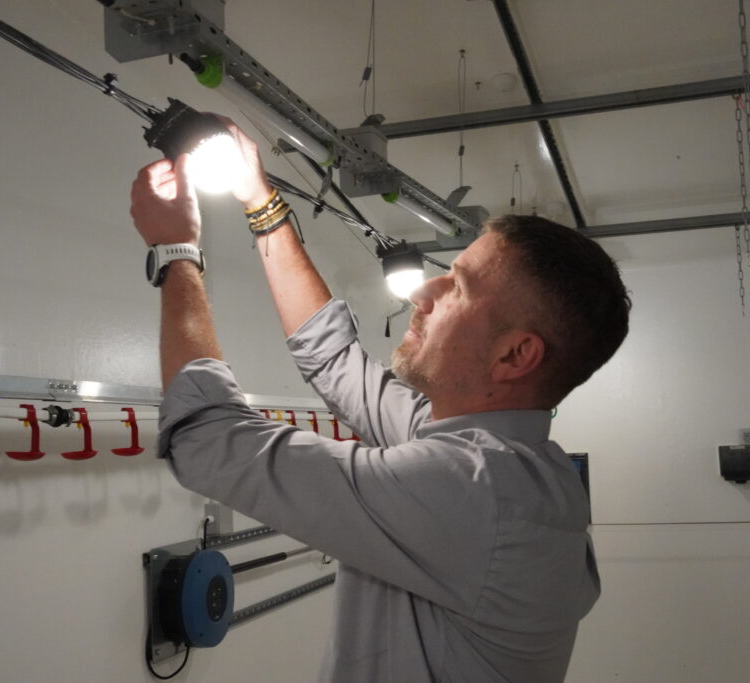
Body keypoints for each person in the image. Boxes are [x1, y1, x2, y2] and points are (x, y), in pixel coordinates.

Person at [130, 117, 631, 683]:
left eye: (457, 289)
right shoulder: (504, 461)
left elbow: (208, 441)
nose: (423, 292)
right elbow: (335, 361)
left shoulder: (473, 489)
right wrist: (260, 201)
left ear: (515, 357)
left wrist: (177, 253)